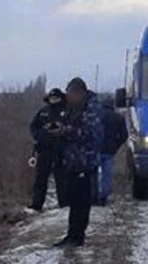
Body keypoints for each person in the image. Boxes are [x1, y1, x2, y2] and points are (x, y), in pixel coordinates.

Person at [53, 78, 104, 248]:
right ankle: (72, 235)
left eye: (70, 94)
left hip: (84, 162)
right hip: (73, 161)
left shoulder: (92, 108)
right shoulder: (73, 108)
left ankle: (77, 237)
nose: (67, 98)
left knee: (81, 202)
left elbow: (92, 134)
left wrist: (66, 131)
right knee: (74, 200)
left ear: (78, 93)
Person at [28, 88, 68, 211]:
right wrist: (39, 135)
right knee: (41, 177)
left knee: (61, 177)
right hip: (44, 149)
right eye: (52, 98)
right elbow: (33, 126)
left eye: (56, 98)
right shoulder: (43, 112)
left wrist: (62, 131)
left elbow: (72, 127)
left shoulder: (67, 111)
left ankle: (64, 202)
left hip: (60, 149)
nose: (54, 100)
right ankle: (37, 203)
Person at [97, 97, 127, 206]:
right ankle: (103, 197)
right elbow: (124, 136)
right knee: (107, 174)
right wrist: (116, 146)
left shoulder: (96, 115)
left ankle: (94, 195)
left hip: (95, 149)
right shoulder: (118, 118)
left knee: (95, 173)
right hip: (110, 150)